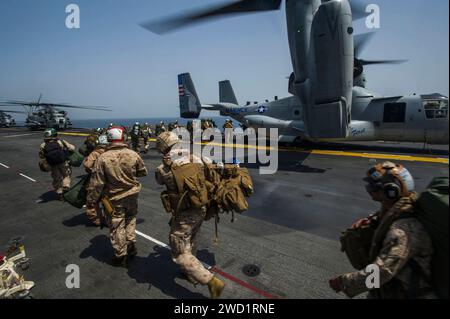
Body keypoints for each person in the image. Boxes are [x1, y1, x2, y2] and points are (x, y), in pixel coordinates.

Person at [329, 161, 436, 299]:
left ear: (390, 191)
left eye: (375, 186)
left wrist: (344, 282)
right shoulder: (392, 211)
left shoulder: (403, 229)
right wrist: (371, 221)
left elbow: (382, 272)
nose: (371, 189)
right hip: (390, 291)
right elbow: (384, 217)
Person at [155, 131, 225, 299]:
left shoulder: (164, 168)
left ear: (163, 148)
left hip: (184, 213)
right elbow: (212, 170)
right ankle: (189, 272)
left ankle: (211, 282)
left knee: (179, 251)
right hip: (201, 209)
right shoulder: (196, 157)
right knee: (191, 240)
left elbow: (159, 180)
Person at [88, 126, 148, 267]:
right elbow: (142, 172)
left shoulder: (103, 158)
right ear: (123, 138)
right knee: (131, 219)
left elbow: (97, 183)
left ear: (109, 139)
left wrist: (91, 200)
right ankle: (131, 243)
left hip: (114, 199)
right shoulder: (133, 154)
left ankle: (121, 255)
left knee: (117, 226)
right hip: (132, 196)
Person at [39, 128, 76, 200]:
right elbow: (72, 148)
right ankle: (66, 186)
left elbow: (41, 156)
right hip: (63, 163)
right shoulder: (61, 142)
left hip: (53, 165)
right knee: (66, 175)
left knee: (56, 178)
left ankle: (60, 193)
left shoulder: (42, 145)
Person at [83, 134, 109, 227]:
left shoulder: (95, 153)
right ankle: (108, 219)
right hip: (109, 181)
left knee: (92, 201)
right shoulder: (111, 152)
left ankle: (97, 220)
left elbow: (87, 165)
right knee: (107, 201)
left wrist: (93, 170)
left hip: (96, 181)